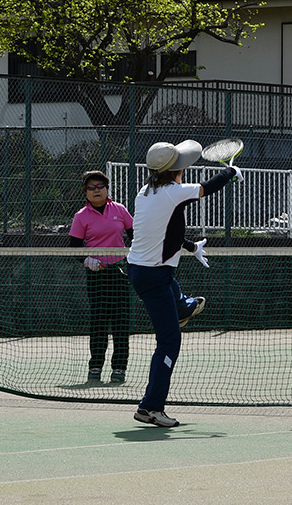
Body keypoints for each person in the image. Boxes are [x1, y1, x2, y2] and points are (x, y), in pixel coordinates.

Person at [126, 139, 237, 427]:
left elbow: (162, 231)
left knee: (173, 296)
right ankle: (150, 407)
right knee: (169, 341)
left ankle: (183, 307)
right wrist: (230, 172)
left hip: (148, 270)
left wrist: (190, 247)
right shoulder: (174, 192)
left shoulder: (145, 192)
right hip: (153, 276)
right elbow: (206, 188)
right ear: (175, 171)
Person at [69, 170, 133, 384]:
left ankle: (119, 368)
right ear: (85, 192)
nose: (96, 190)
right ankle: (95, 366)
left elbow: (136, 236)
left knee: (121, 323)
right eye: (91, 187)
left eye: (100, 186)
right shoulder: (81, 217)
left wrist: (131, 258)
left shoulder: (120, 210)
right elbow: (74, 249)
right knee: (98, 322)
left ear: (107, 189)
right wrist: (89, 261)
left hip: (119, 273)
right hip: (96, 277)